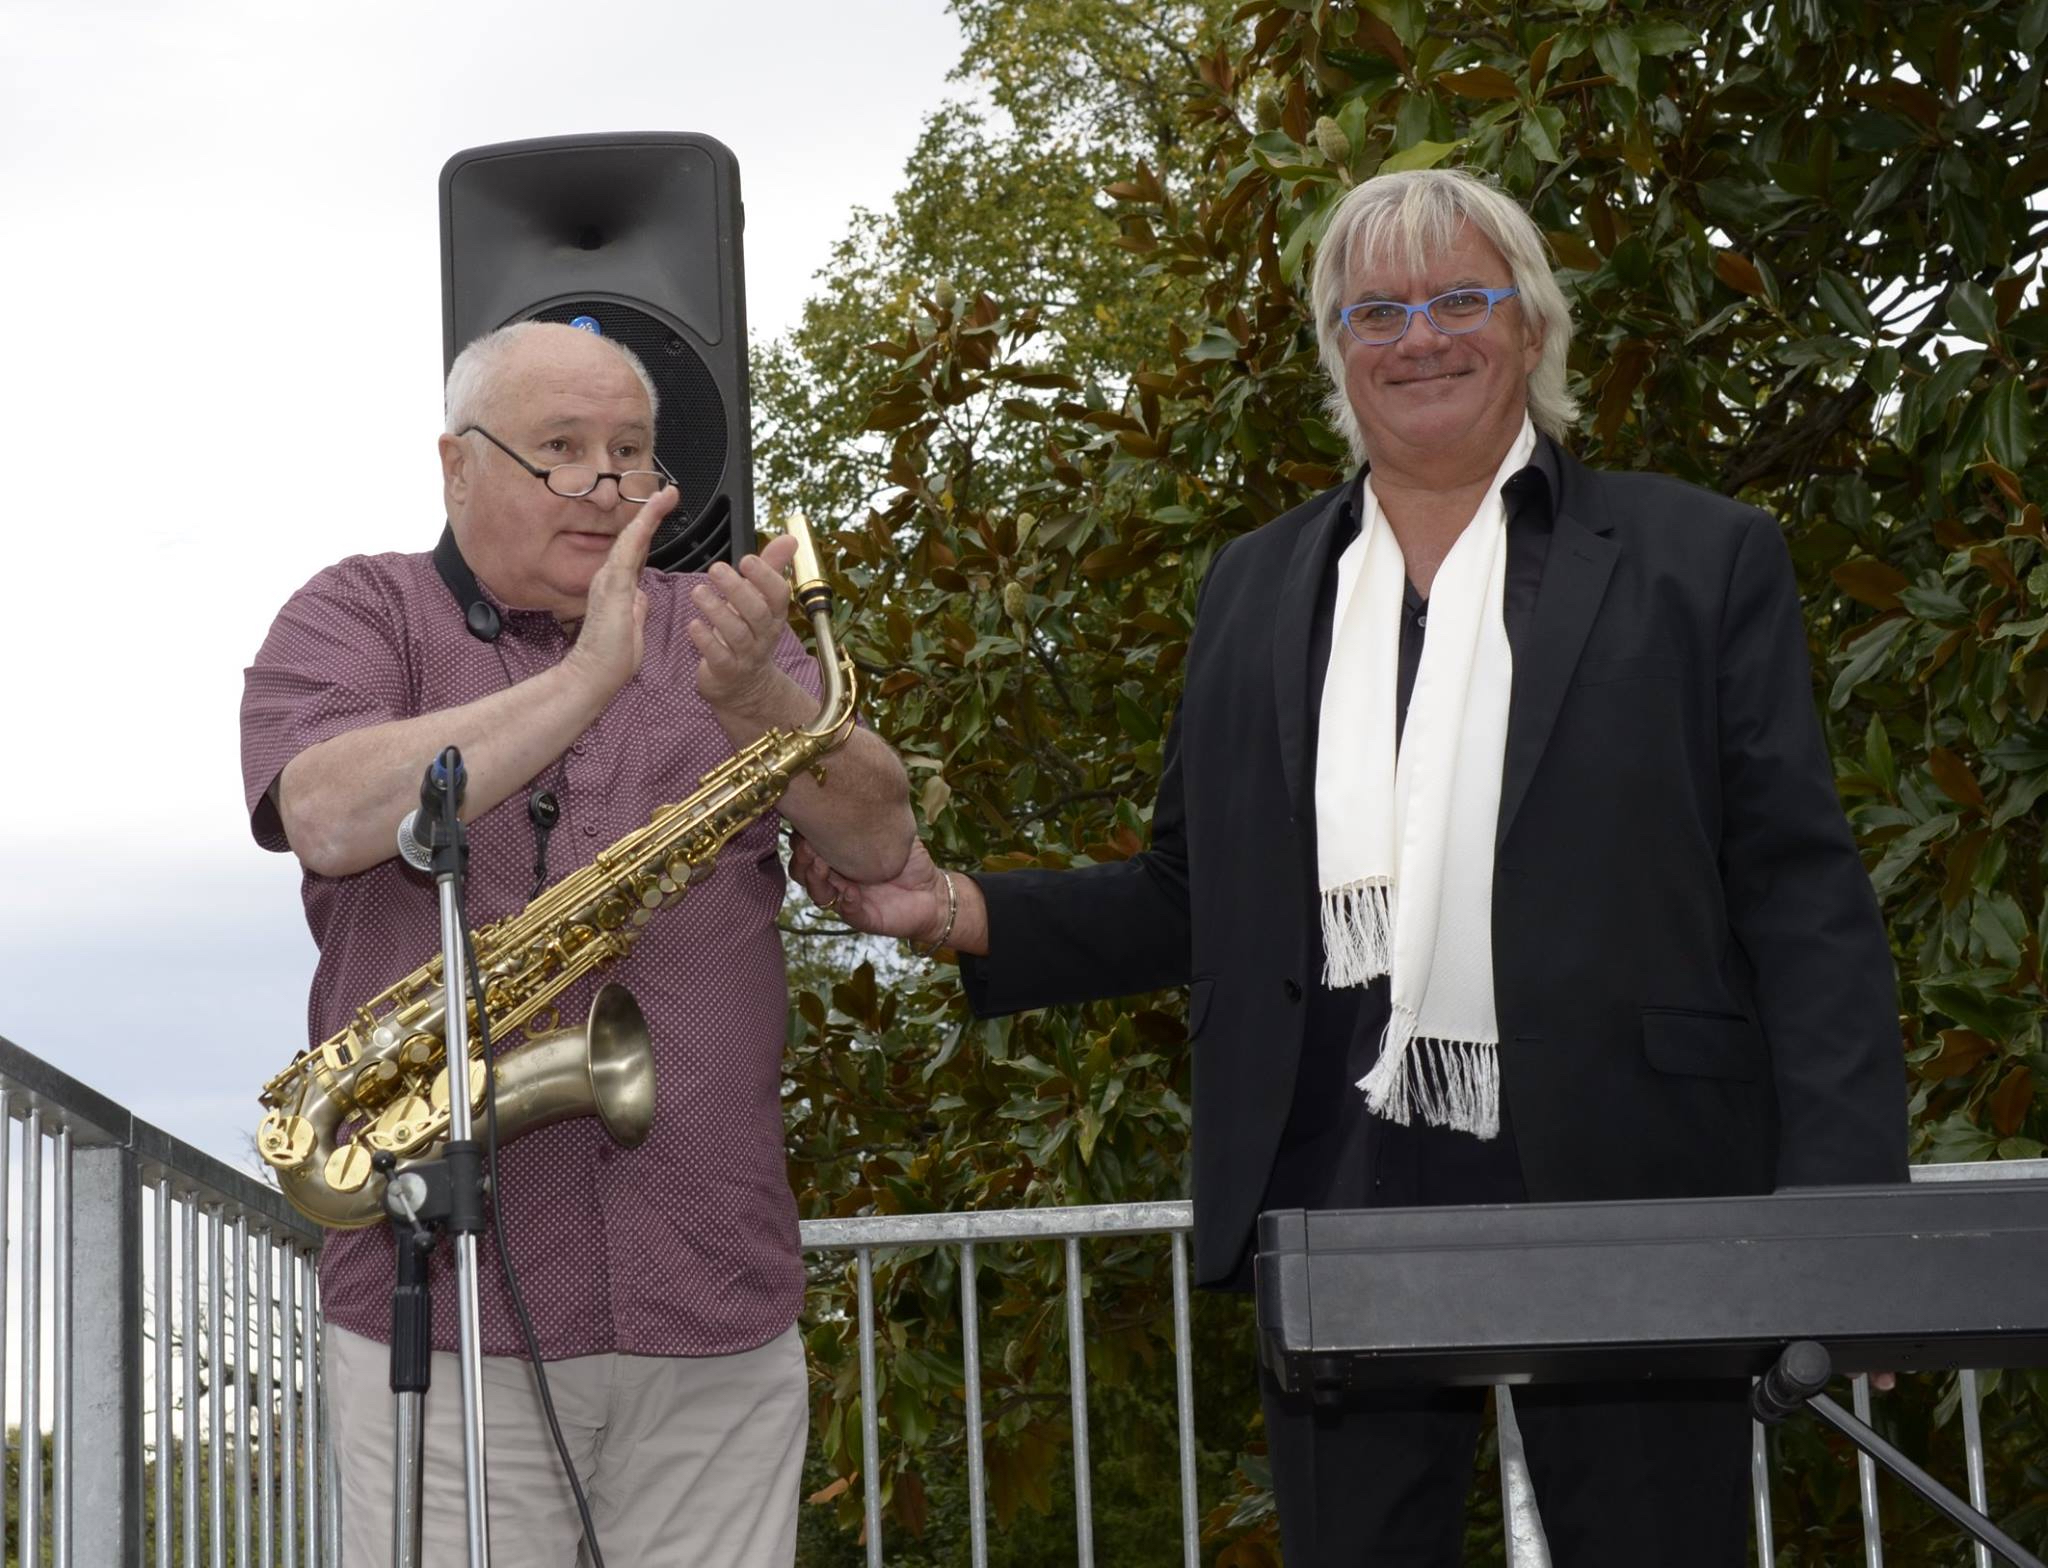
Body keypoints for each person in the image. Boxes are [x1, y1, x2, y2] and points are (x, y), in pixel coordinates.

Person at [790, 168, 1907, 1567]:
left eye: (1459, 299)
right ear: (1336, 352)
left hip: (1637, 1177)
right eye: (1375, 311)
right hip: (1332, 1177)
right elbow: (1194, 894)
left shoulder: (1700, 558)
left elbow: (1799, 895)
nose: (1418, 337)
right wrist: (949, 909)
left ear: (1531, 325)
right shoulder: (1256, 586)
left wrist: (1845, 1218)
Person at [240, 320, 915, 1567]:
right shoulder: (359, 610)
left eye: (631, 452)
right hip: (446, 1319)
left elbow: (881, 840)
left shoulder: (718, 628)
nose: (605, 485)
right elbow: (327, 812)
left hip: (713, 1299)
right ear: (456, 465)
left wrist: (763, 699)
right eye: (560, 449)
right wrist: (587, 677)